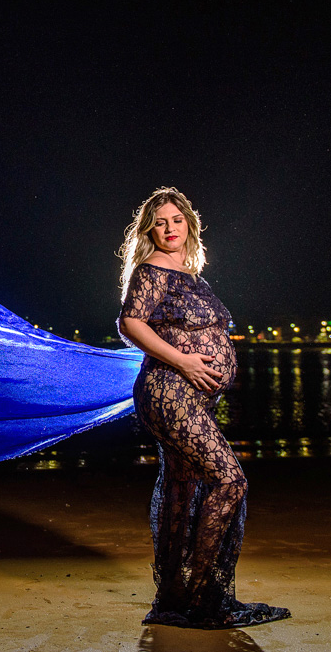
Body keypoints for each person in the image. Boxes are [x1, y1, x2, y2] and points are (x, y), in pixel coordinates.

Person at [117, 187, 290, 630]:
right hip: (169, 389)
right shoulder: (152, 269)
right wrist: (184, 361)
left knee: (181, 490)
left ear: (189, 224)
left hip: (187, 395)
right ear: (149, 231)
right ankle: (202, 598)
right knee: (230, 481)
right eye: (161, 222)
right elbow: (129, 322)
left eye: (177, 220)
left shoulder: (190, 275)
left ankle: (175, 598)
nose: (170, 228)